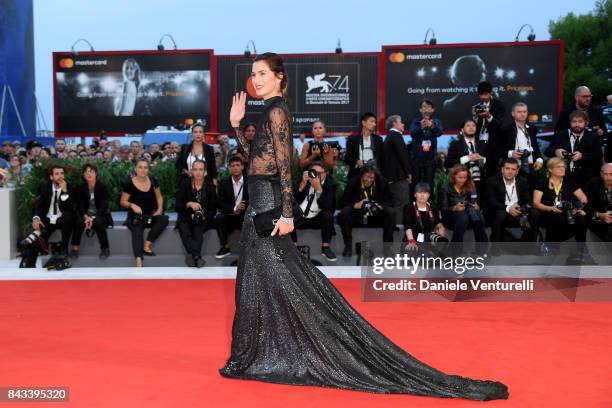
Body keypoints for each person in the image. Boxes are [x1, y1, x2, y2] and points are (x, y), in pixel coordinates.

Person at [220, 52, 508, 401]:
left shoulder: (277, 111)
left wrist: (286, 214)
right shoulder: (268, 112)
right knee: (264, 283)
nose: (257, 79)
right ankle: (258, 355)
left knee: (280, 283)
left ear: (280, 76)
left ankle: (299, 352)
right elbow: (256, 163)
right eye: (254, 74)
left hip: (268, 209)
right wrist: (236, 126)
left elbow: (283, 168)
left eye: (263, 73)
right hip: (260, 209)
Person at [20, 165, 76, 267]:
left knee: (68, 215)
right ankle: (29, 266)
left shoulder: (70, 187)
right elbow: (39, 206)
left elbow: (70, 208)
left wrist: (64, 191)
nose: (60, 176)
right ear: (51, 177)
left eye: (62, 173)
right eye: (57, 174)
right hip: (48, 219)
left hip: (62, 219)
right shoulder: (45, 187)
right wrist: (36, 219)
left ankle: (64, 248)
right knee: (38, 239)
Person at [337, 164, 396, 257]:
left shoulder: (382, 182)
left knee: (391, 212)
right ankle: (348, 246)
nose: (369, 180)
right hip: (358, 215)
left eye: (372, 177)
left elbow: (391, 202)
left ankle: (387, 248)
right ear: (362, 175)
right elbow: (343, 202)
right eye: (367, 177)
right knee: (345, 212)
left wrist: (380, 206)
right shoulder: (353, 182)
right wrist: (355, 205)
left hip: (376, 215)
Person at [120, 159, 169, 267]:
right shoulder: (129, 184)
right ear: (136, 169)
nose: (143, 170)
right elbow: (123, 202)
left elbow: (159, 197)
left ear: (148, 169)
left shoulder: (153, 180)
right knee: (137, 230)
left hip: (151, 214)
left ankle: (147, 245)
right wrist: (132, 205)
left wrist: (160, 208)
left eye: (145, 167)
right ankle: (138, 260)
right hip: (136, 216)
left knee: (164, 219)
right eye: (140, 167)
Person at [533, 157, 588, 246]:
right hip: (550, 212)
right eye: (559, 167)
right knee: (559, 220)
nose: (563, 169)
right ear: (550, 169)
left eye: (563, 167)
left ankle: (581, 250)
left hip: (569, 211)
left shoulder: (570, 183)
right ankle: (550, 247)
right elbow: (536, 203)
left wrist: (577, 208)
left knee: (581, 220)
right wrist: (550, 208)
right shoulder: (542, 183)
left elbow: (584, 199)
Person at [291, 161, 337, 261]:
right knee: (288, 213)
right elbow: (291, 201)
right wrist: (302, 184)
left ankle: (326, 248)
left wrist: (319, 190)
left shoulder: (330, 184)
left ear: (326, 173)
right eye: (315, 172)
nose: (318, 176)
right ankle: (293, 247)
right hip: (301, 217)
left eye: (321, 173)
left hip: (317, 218)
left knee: (327, 214)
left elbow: (329, 206)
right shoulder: (304, 179)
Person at [545, 110, 602, 189]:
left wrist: (582, 156)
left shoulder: (593, 137)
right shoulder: (560, 135)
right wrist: (556, 151)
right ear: (570, 123)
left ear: (586, 123)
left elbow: (598, 155)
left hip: (586, 179)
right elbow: (547, 151)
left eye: (580, 121)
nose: (577, 124)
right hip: (564, 177)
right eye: (574, 122)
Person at [486, 158, 540, 242]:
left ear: (517, 171)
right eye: (507, 168)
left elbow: (528, 200)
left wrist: (523, 209)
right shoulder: (492, 181)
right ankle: (495, 246)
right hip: (502, 209)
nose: (510, 172)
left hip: (519, 209)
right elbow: (491, 202)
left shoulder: (523, 181)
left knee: (535, 213)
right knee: (500, 214)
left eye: (513, 169)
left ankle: (530, 244)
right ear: (502, 169)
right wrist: (508, 208)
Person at [175, 160, 217, 267]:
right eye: (195, 169)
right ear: (191, 171)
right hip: (185, 217)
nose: (198, 172)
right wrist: (188, 204)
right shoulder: (185, 184)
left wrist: (204, 216)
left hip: (202, 219)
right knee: (185, 231)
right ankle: (197, 257)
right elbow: (177, 206)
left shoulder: (210, 187)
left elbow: (213, 210)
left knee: (197, 231)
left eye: (201, 169)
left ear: (205, 172)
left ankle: (192, 255)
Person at [498, 102, 544, 191]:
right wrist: (511, 153)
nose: (522, 114)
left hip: (531, 167)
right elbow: (496, 149)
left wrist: (539, 160)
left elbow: (535, 147)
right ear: (513, 114)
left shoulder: (532, 128)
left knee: (533, 191)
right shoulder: (505, 129)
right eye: (519, 112)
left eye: (524, 111)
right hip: (513, 167)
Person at [71, 163, 112, 260]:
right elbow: (79, 206)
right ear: (83, 174)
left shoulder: (102, 187)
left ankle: (105, 248)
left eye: (91, 171)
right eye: (86, 172)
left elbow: (104, 205)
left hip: (100, 214)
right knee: (79, 222)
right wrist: (86, 217)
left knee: (98, 222)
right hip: (85, 215)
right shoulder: (80, 188)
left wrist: (93, 218)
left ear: (96, 173)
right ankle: (74, 249)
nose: (88, 174)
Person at [439, 164, 488, 243]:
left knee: (478, 216)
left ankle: (482, 250)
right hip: (450, 218)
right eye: (460, 177)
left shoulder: (470, 184)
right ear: (454, 176)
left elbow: (477, 204)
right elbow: (443, 209)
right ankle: (456, 248)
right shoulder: (445, 187)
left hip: (469, 216)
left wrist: (477, 207)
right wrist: (455, 208)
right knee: (463, 216)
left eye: (465, 177)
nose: (463, 180)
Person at [214, 156, 249, 258]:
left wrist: (245, 206)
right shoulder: (224, 183)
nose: (235, 168)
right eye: (233, 166)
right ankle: (225, 247)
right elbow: (219, 202)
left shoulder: (249, 182)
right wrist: (234, 208)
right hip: (230, 214)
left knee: (250, 219)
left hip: (244, 215)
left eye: (238, 165)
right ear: (229, 168)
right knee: (219, 218)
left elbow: (255, 200)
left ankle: (248, 250)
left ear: (242, 167)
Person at [472, 81, 506, 176]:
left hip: (493, 142)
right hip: (480, 141)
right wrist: (474, 116)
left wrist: (488, 116)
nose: (483, 97)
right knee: (479, 170)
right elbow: (475, 126)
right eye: (481, 95)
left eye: (485, 94)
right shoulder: (478, 106)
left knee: (492, 171)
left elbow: (499, 124)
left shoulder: (499, 105)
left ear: (490, 93)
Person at [409, 100, 443, 190]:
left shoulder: (436, 121)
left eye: (428, 107)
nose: (426, 109)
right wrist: (421, 127)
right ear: (420, 110)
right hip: (416, 160)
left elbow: (439, 133)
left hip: (430, 160)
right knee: (415, 184)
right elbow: (412, 133)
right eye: (424, 107)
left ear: (433, 110)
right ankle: (414, 203)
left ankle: (429, 203)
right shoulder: (416, 122)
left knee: (429, 185)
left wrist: (432, 126)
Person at [382, 114, 412, 215]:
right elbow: (403, 155)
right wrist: (408, 172)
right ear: (394, 123)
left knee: (396, 203)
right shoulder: (396, 135)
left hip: (392, 178)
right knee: (402, 204)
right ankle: (400, 228)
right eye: (401, 122)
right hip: (398, 178)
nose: (403, 124)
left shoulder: (390, 136)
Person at [403, 183, 447, 251]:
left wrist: (440, 227)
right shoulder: (408, 207)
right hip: (412, 240)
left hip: (428, 240)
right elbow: (407, 226)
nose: (422, 195)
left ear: (428, 195)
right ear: (415, 194)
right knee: (413, 254)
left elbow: (437, 222)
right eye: (420, 192)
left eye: (425, 193)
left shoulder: (432, 208)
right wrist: (411, 241)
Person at [344, 112, 384, 180]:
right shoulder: (352, 140)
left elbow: (383, 159)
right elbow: (347, 159)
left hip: (374, 175)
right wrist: (356, 162)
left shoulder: (378, 140)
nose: (374, 124)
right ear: (364, 123)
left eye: (375, 122)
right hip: (357, 175)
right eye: (371, 121)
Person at [585, 163, 612, 242]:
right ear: (601, 174)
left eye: (611, 174)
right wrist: (600, 215)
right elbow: (586, 208)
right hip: (598, 218)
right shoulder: (593, 184)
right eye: (605, 174)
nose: (608, 178)